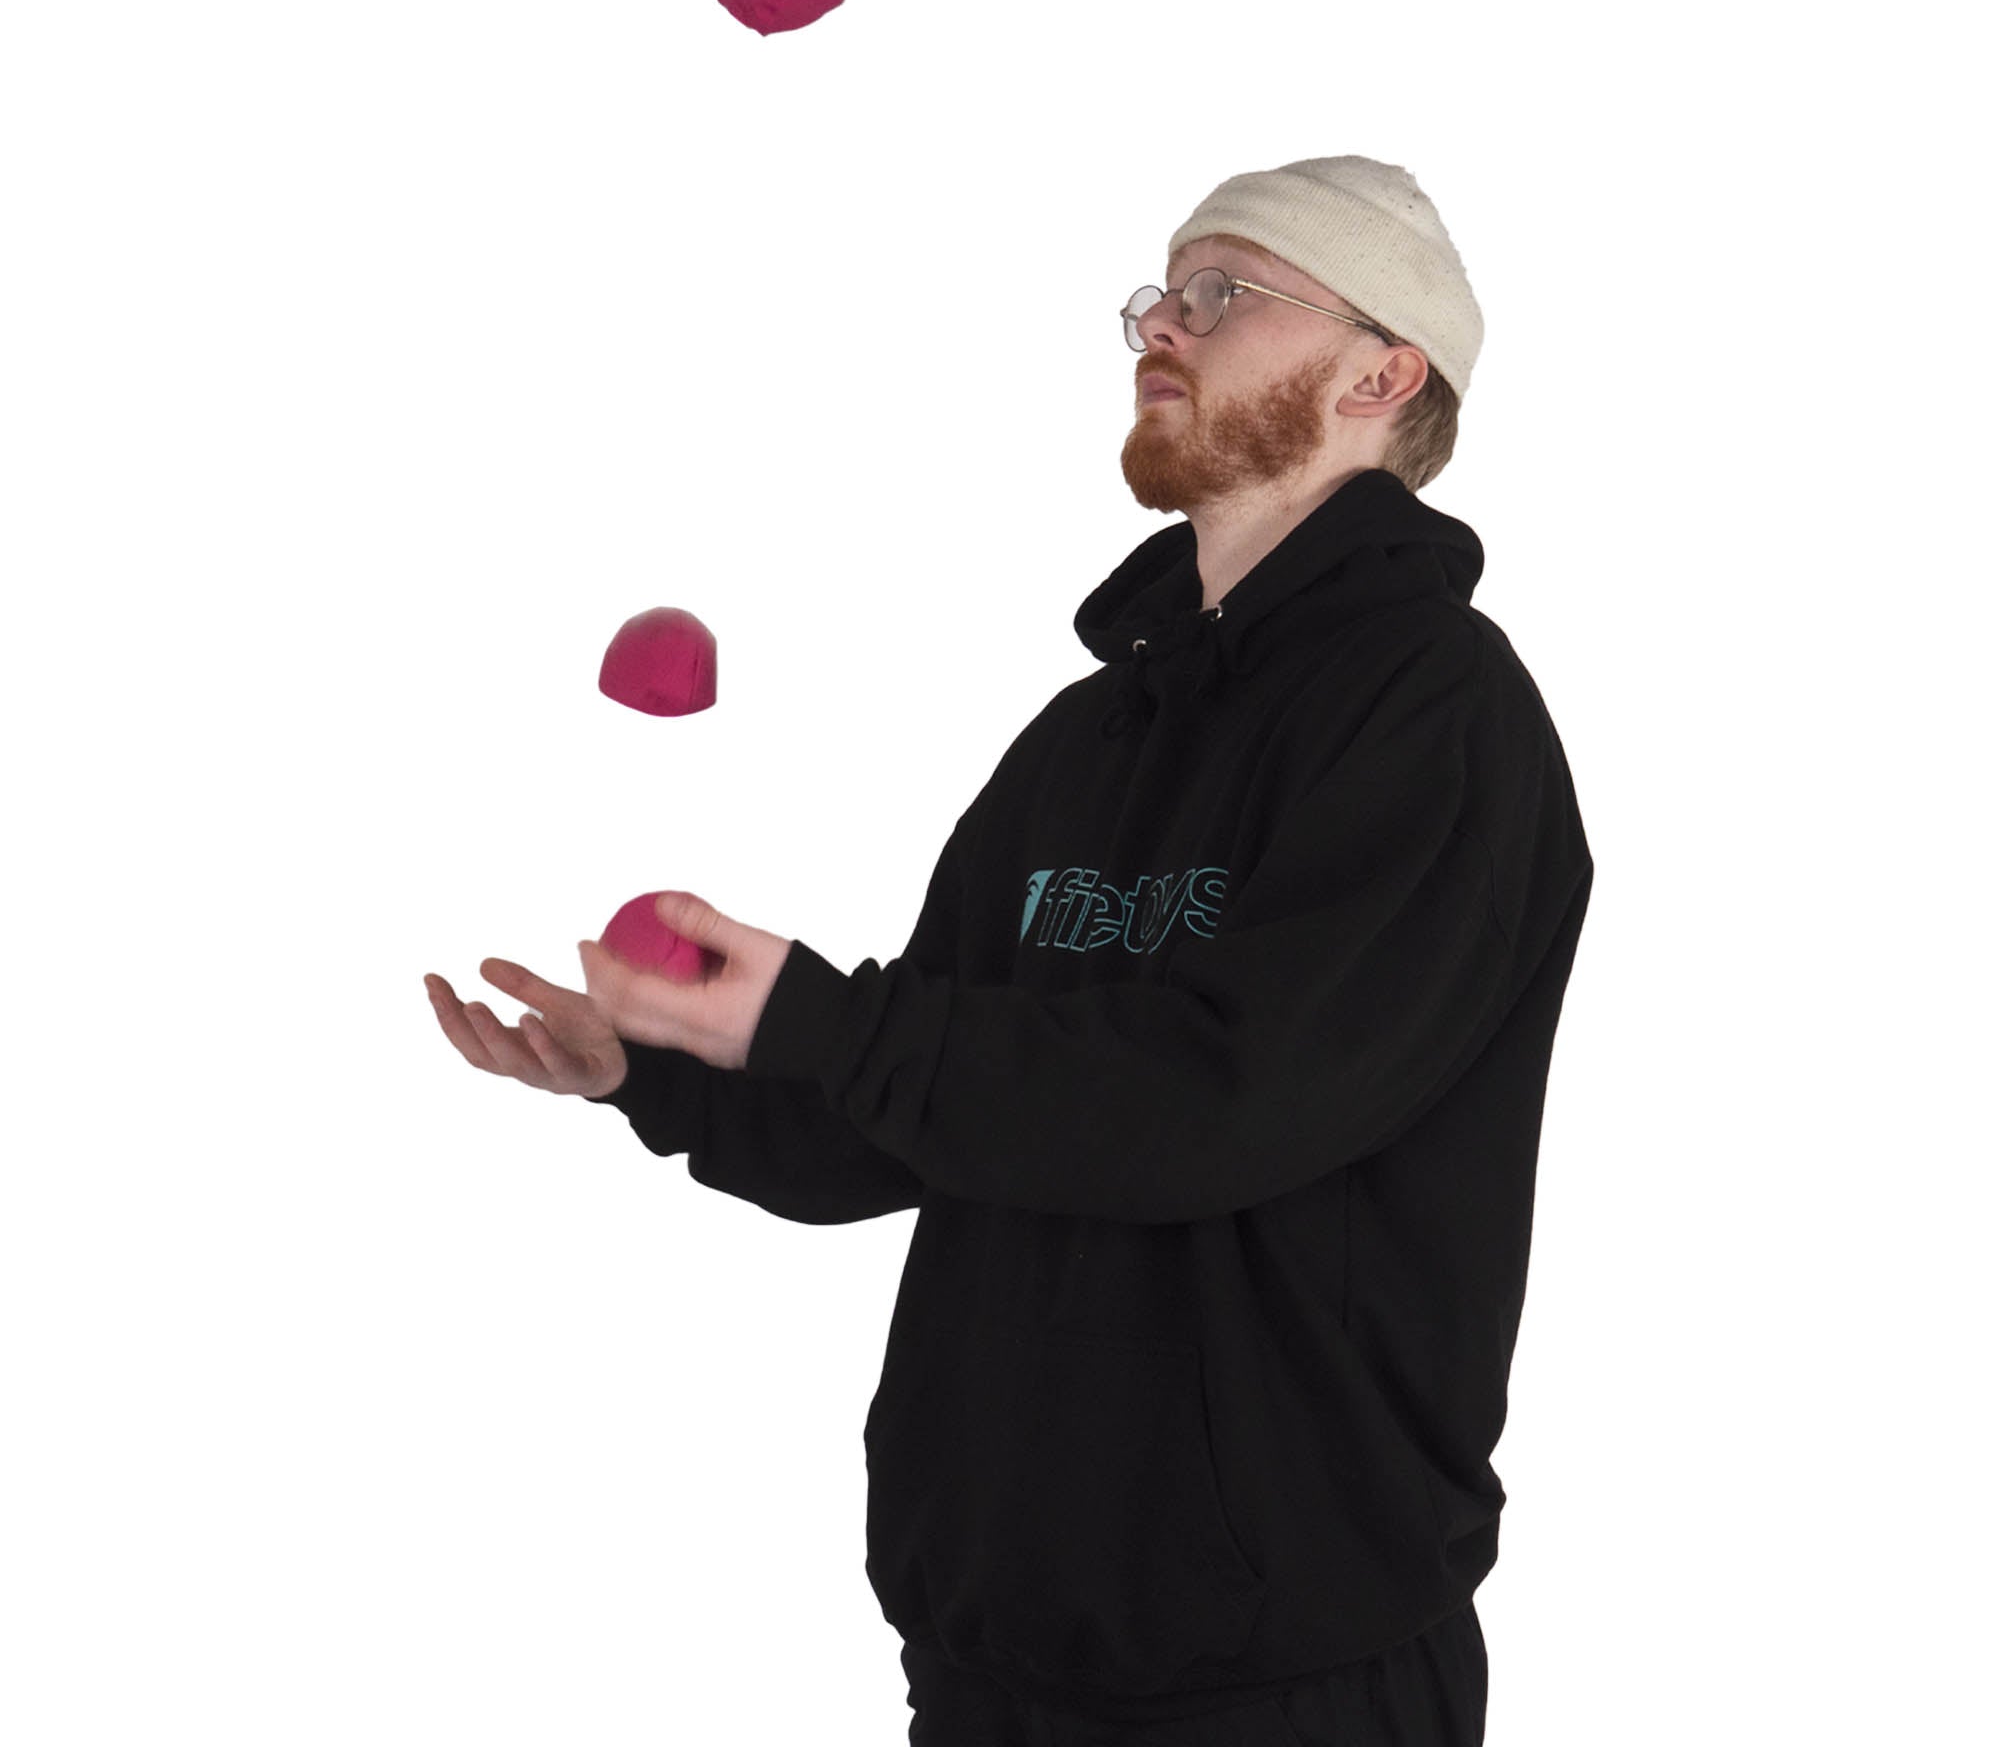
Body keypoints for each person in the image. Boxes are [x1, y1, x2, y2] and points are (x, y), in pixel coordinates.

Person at [425, 156, 1593, 1745]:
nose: (1159, 328)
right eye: (1158, 296)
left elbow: (1219, 1102)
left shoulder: (1439, 719)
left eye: (1222, 294)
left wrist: (822, 1021)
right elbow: (920, 1119)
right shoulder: (1085, 739)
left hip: (1280, 1679)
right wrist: (661, 1071)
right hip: (992, 1662)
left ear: (1382, 374)